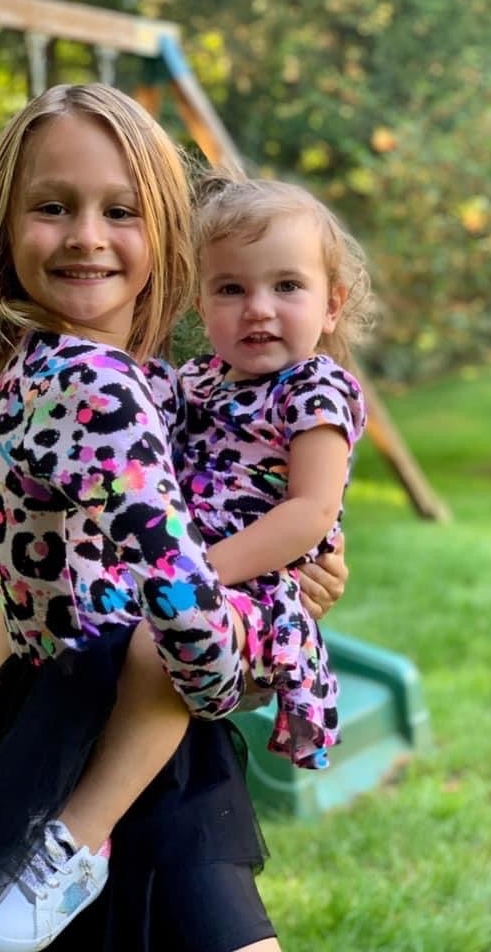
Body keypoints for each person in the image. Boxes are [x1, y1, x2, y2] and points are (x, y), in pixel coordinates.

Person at [0, 83, 347, 952]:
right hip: (107, 726)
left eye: (120, 210)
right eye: (54, 206)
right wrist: (258, 640)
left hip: (61, 719)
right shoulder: (99, 390)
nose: (88, 236)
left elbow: (38, 576)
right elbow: (189, 631)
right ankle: (61, 834)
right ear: (4, 229)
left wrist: (294, 575)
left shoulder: (95, 375)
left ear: (165, 232)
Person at [157, 172, 374, 769]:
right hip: (180, 576)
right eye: (230, 288)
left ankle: (90, 824)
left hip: (250, 591)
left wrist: (203, 574)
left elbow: (310, 512)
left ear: (331, 305)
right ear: (200, 305)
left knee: (146, 662)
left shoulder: (315, 390)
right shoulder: (193, 381)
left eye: (286, 286)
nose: (258, 309)